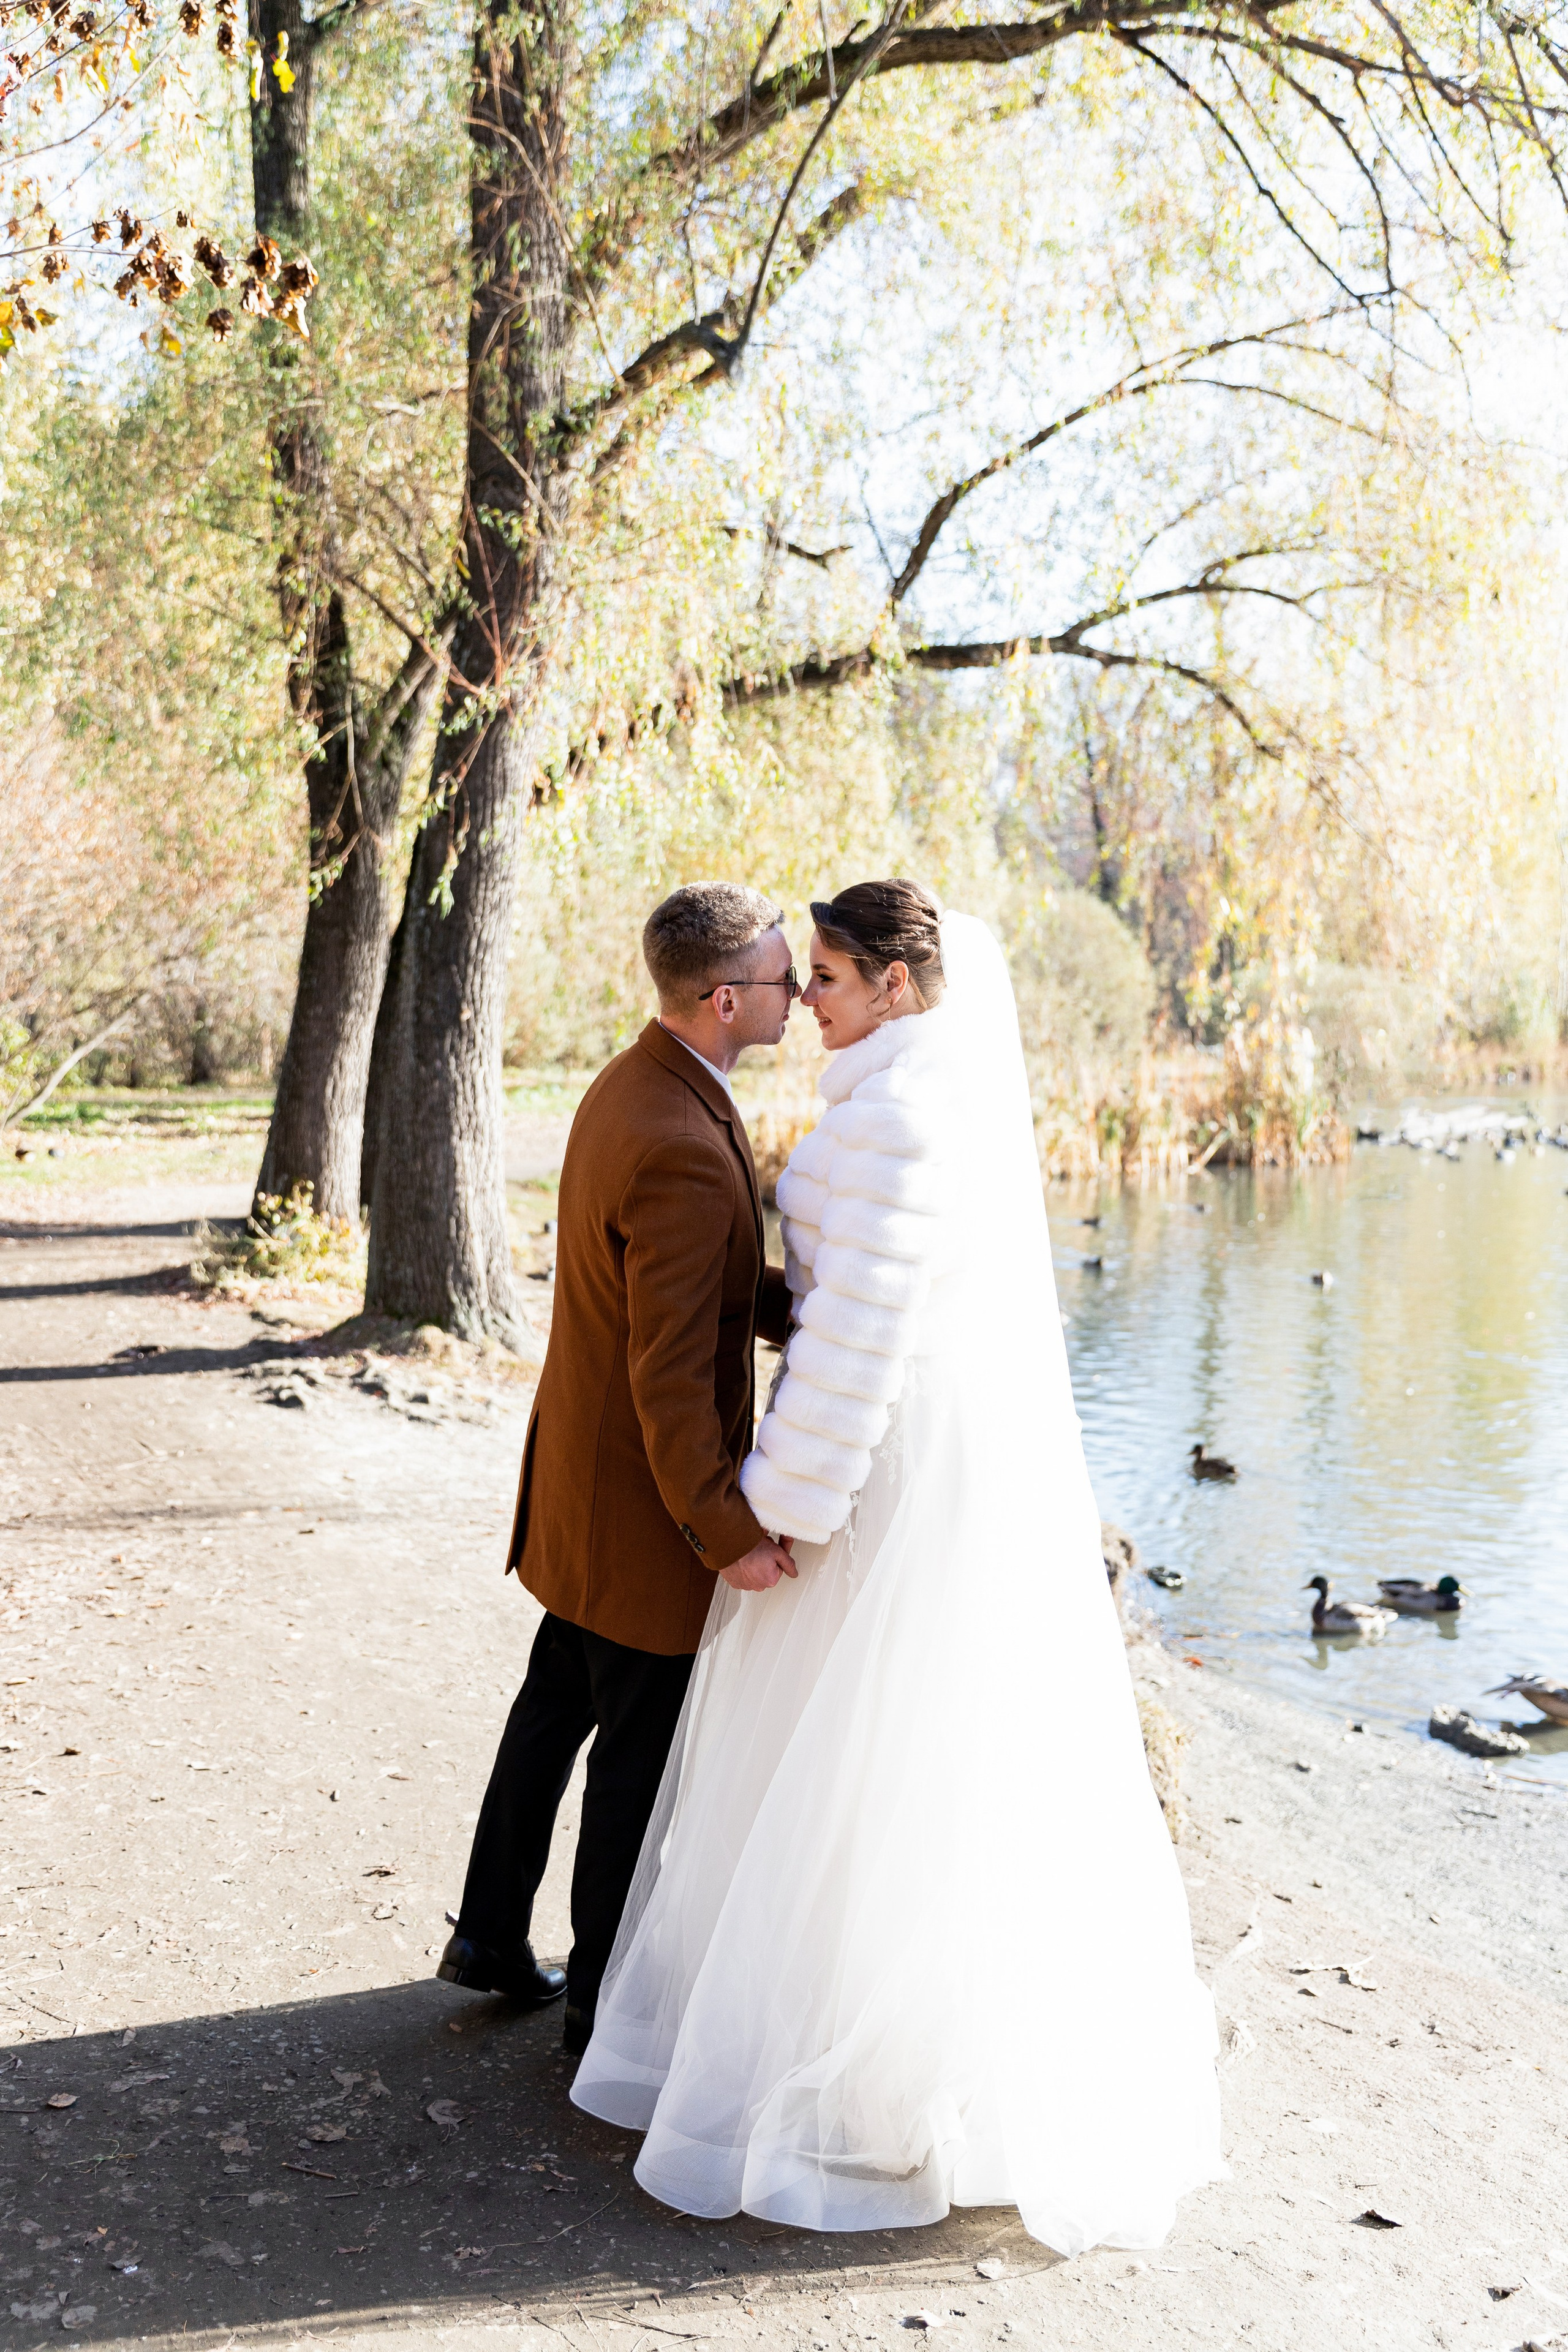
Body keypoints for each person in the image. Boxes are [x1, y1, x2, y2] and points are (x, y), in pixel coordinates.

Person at [571, 881, 1224, 2253]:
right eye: (802, 975)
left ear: (899, 990)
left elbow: (852, 1354)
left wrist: (769, 1515)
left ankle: (865, 2081)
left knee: (868, 1767)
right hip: (908, 1459)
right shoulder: (905, 1107)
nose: (804, 997)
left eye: (825, 976)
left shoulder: (893, 1128)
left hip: (872, 1480)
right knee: (889, 1763)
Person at [437, 883, 800, 2056]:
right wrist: (726, 1531)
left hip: (581, 1489)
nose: (797, 992)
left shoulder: (635, 1082)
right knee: (634, 1770)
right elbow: (671, 1376)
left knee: (550, 1714)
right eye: (784, 978)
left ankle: (489, 1936)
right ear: (723, 995)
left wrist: (818, 1318)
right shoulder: (684, 1144)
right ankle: (603, 2006)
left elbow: (694, 1289)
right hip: (643, 1513)